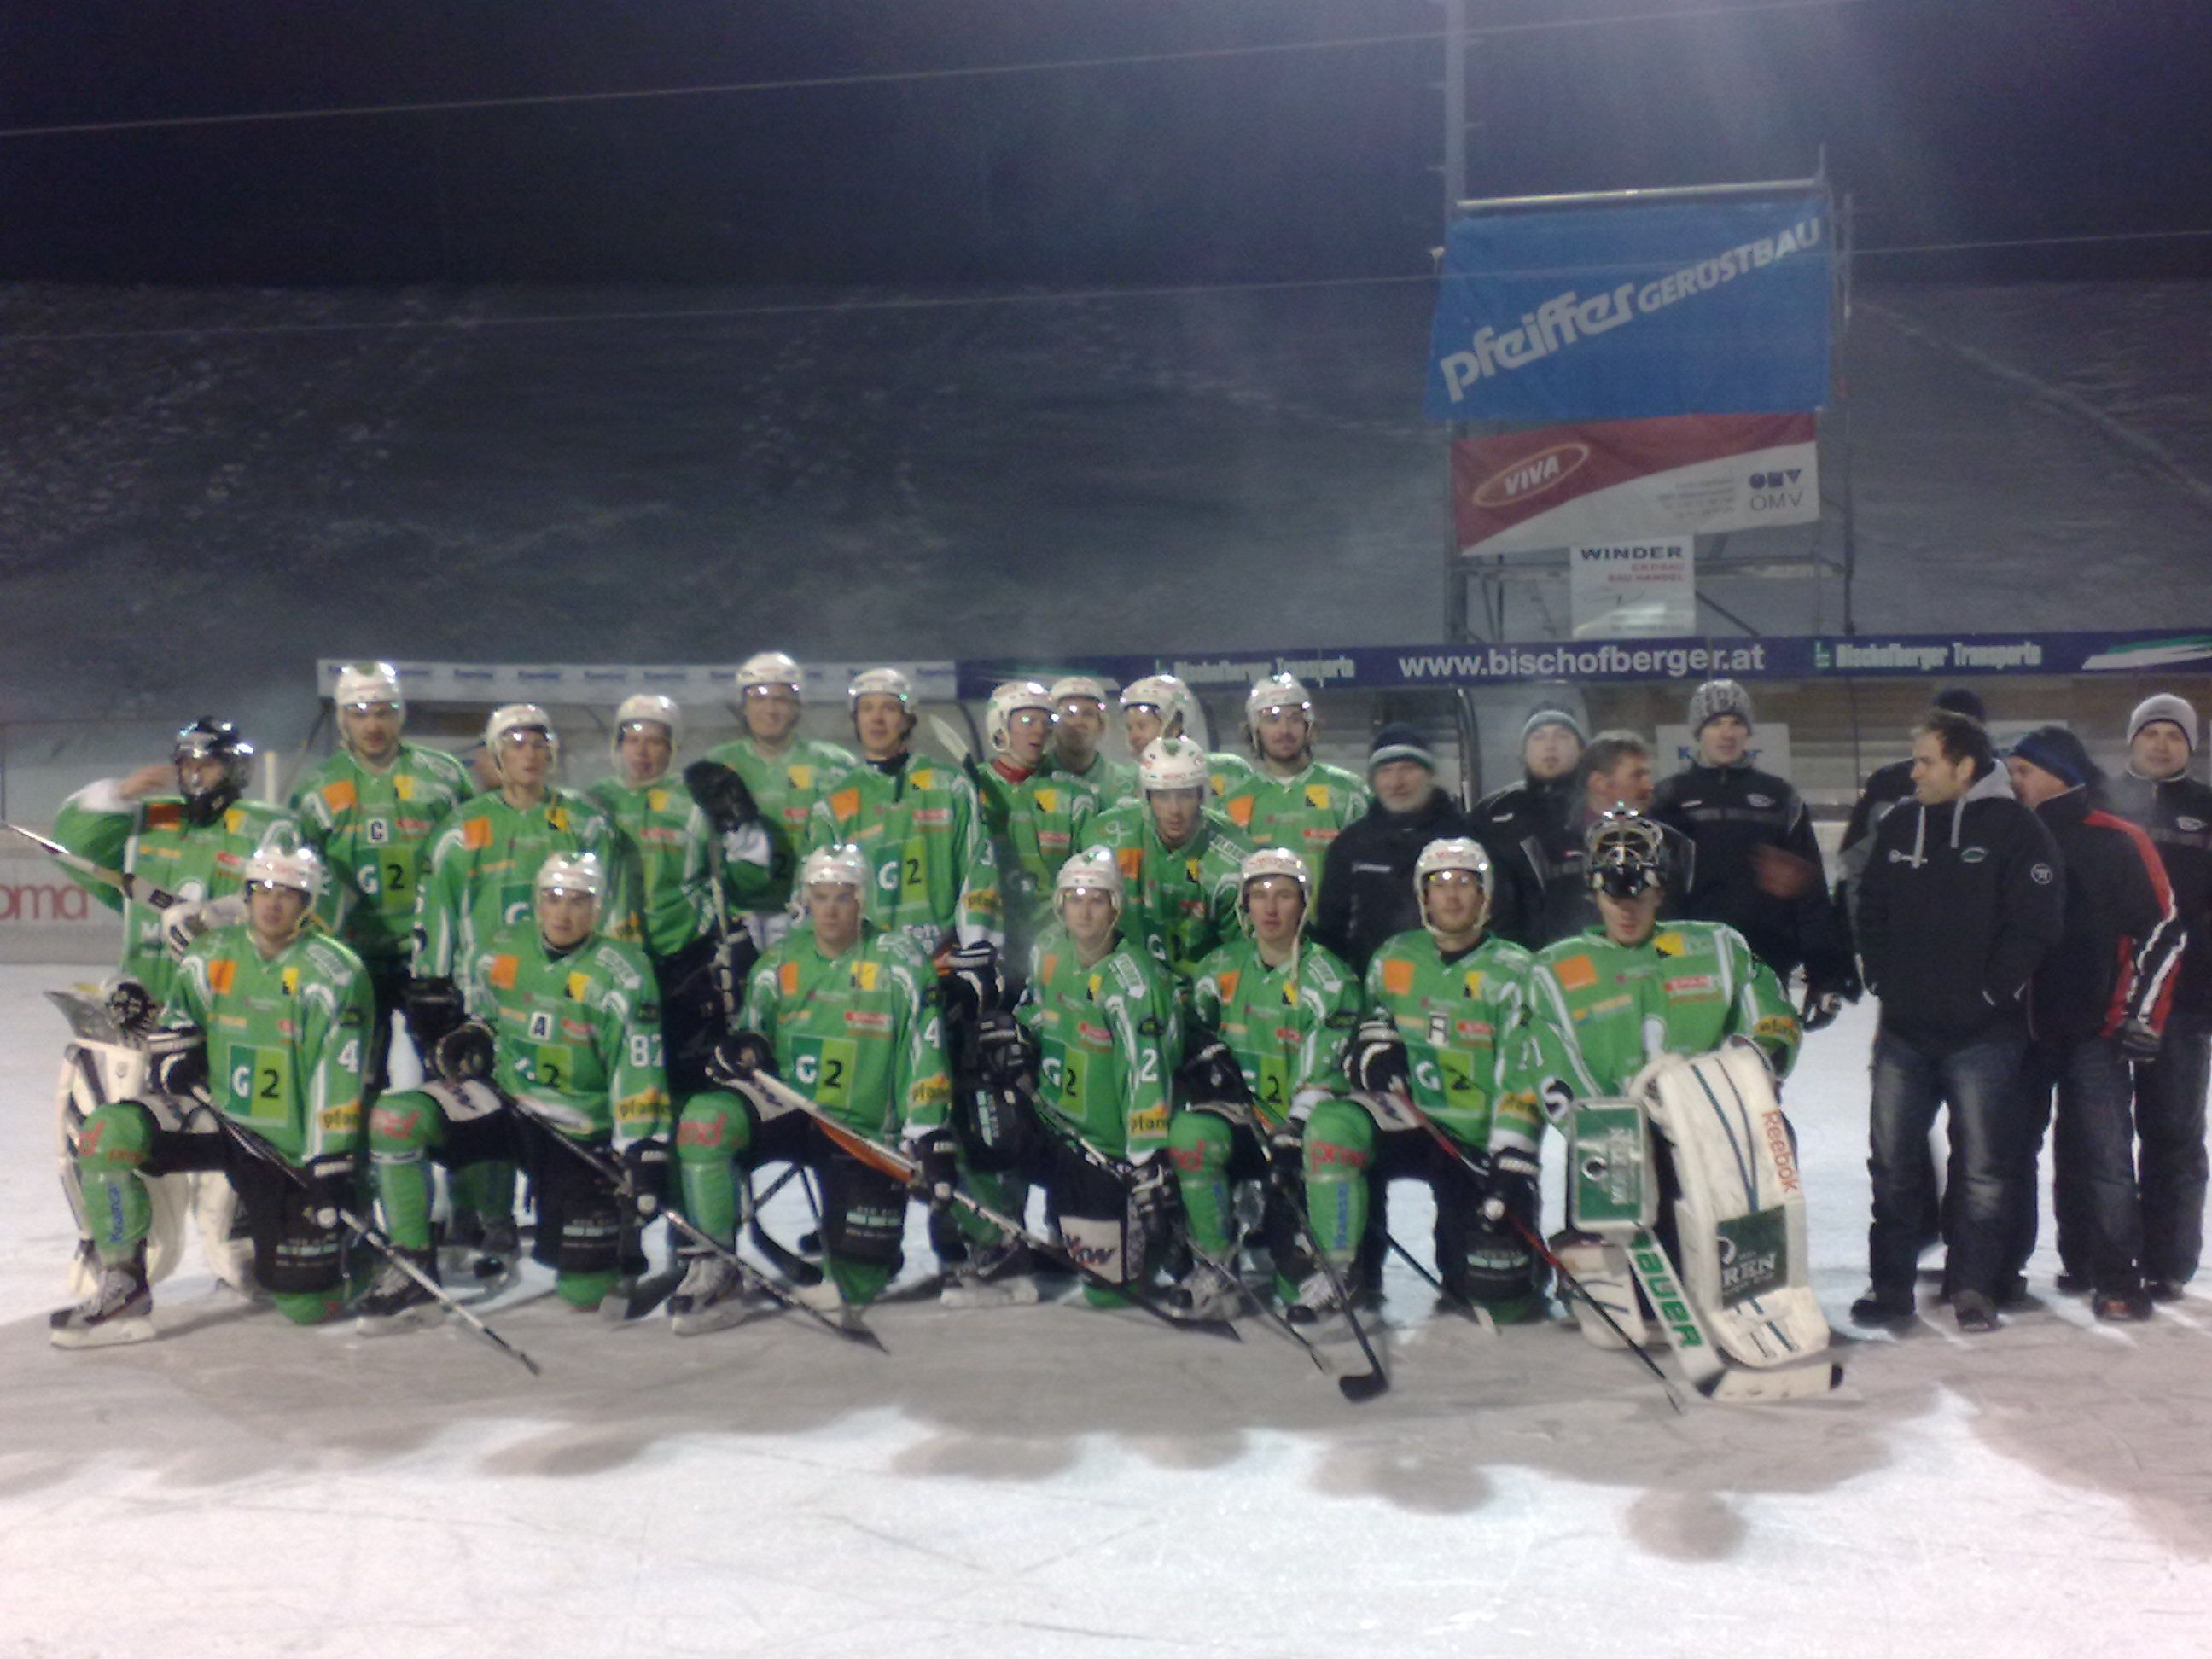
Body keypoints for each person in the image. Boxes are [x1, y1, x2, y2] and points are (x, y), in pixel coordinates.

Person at [53, 833, 374, 1347]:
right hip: (218, 1117)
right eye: (262, 888)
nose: (272, 901)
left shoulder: (333, 973)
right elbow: (176, 1027)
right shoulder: (210, 955)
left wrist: (329, 1164)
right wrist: (176, 1058)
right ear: (246, 893)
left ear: (307, 903)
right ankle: (125, 1284)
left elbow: (337, 1078)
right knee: (107, 1132)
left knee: (305, 1304)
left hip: (285, 1146)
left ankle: (358, 1249)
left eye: (287, 892)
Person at [365, 852, 672, 1322]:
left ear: (599, 908)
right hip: (506, 1103)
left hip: (577, 1129)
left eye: (579, 901)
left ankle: (614, 1237)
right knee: (395, 1119)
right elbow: (486, 1021)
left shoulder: (624, 972)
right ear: (538, 902)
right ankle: (411, 1264)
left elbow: (638, 1069)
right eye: (553, 898)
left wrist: (640, 1150)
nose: (564, 912)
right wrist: (471, 1038)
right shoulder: (501, 950)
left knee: (585, 1294)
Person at [672, 844, 953, 1327]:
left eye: (843, 897)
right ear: (805, 899)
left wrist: (927, 1132)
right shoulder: (779, 963)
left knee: (860, 1282)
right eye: (820, 896)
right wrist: (739, 1051)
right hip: (788, 1110)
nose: (830, 909)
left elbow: (925, 1055)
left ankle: (857, 1260)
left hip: (859, 1131)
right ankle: (713, 1263)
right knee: (705, 1120)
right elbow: (752, 1045)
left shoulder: (901, 963)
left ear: (863, 901)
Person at [1854, 709, 2064, 1333]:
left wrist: (1992, 989)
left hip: (1984, 1037)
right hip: (1904, 1035)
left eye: (1925, 760)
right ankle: (1890, 1289)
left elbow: (2036, 921)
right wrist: (1882, 975)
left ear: (1963, 766)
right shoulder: (1900, 824)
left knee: (1982, 1171)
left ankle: (1973, 1288)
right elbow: (1869, 901)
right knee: (1893, 1169)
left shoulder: (2015, 829)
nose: (1913, 771)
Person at [411, 703, 618, 1262]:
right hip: (485, 997)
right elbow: (442, 910)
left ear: (553, 753)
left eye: (538, 743)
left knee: (560, 1102)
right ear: (497, 756)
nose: (529, 754)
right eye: (517, 744)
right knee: (479, 1105)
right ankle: (484, 1216)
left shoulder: (586, 821)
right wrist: (433, 986)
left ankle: (571, 1208)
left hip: (565, 993)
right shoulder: (463, 827)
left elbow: (612, 907)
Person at [1525, 812, 1801, 1203]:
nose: (1626, 908)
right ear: (1593, 893)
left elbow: (1774, 1019)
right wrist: (1610, 1130)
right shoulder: (1551, 972)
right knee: (1604, 1258)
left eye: (1639, 891)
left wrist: (1745, 1080)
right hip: (1611, 1143)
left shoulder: (1719, 946)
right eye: (1612, 892)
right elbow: (1549, 1067)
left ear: (1660, 891)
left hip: (1716, 1128)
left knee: (1774, 1137)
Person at [2003, 726, 2181, 1321]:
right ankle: (2004, 1271)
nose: (2014, 780)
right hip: (2018, 1033)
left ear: (2058, 773)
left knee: (2106, 1158)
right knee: (2008, 1154)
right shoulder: (2009, 835)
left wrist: (2138, 1014)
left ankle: (2116, 1278)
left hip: (2095, 1032)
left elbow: (2162, 928)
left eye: (2024, 770)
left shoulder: (2117, 840)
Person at [965, 848, 1181, 1307]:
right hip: (1052, 1128)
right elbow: (1037, 1014)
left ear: (1116, 907)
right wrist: (1015, 1036)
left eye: (1097, 900)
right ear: (1061, 904)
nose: (1085, 910)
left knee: (1108, 1295)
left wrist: (1145, 1160)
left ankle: (1146, 1244)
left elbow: (1147, 1073)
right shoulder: (1049, 951)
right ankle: (1003, 1243)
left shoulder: (1133, 981)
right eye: (1076, 898)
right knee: (971, 1116)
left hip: (1104, 1152)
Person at [1343, 838, 1548, 1321]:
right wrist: (1375, 1052)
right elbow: (1368, 1027)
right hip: (1410, 1123)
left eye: (1464, 884)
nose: (1452, 896)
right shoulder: (1393, 958)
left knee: (1493, 1297)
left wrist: (1511, 1156)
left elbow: (1525, 1069)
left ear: (1485, 896)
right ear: (1423, 895)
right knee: (1337, 1136)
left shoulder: (1517, 970)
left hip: (1474, 1146)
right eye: (1439, 885)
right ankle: (1350, 1270)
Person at [1167, 847, 1361, 1321]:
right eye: (1259, 896)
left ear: (1304, 904)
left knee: (1287, 1276)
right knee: (1190, 1138)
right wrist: (1198, 1050)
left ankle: (1332, 1272)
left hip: (1302, 1126)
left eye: (1284, 896)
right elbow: (1186, 1024)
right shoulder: (1220, 967)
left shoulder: (1330, 976)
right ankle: (1216, 1263)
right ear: (1244, 905)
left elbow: (1326, 1060)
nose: (1271, 909)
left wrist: (1295, 1127)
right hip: (1241, 1114)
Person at [291, 662, 474, 1093]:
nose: (372, 724)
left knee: (450, 1076)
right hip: (351, 956)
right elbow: (302, 878)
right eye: (359, 712)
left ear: (401, 714)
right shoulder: (317, 786)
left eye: (384, 710)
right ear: (342, 719)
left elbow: (471, 864)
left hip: (431, 956)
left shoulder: (444, 776)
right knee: (356, 1080)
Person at [52, 716, 305, 1007]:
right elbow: (72, 844)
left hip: (227, 1006)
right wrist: (117, 795)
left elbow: (292, 909)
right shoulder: (150, 822)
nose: (195, 777)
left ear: (235, 769)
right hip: (142, 1005)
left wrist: (223, 917)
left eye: (207, 766)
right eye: (187, 766)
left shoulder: (266, 828)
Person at [1650, 679, 1854, 1032]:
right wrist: (1661, 959)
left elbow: (1810, 893)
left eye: (1736, 723)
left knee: (1761, 1074)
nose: (1726, 733)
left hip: (1766, 961)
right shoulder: (1670, 798)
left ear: (1748, 731)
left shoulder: (1779, 798)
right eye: (1715, 723)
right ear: (1698, 731)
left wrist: (1825, 976)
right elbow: (1656, 893)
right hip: (1691, 964)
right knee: (1693, 1073)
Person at [2102, 694, 2212, 1301]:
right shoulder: (2099, 801)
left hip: (2186, 1002)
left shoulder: (2207, 809)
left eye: (2175, 734)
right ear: (2133, 739)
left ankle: (2169, 1261)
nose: (2163, 743)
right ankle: (2099, 1254)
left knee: (2173, 1134)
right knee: (2100, 1137)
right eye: (2152, 732)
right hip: (2108, 997)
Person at [586, 693, 729, 1093]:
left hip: (680, 961)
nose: (643, 751)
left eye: (656, 740)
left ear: (672, 748)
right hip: (607, 960)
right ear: (617, 745)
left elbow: (729, 875)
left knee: (682, 1075)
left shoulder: (694, 804)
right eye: (633, 739)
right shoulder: (593, 802)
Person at [808, 667, 1001, 956]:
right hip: (868, 961)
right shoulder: (833, 802)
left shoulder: (950, 786)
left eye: (889, 708)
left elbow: (979, 868)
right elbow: (819, 888)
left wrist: (976, 943)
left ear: (908, 718)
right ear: (855, 719)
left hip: (943, 957)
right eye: (867, 709)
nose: (877, 718)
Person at [695, 651, 855, 952]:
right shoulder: (717, 764)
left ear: (797, 706)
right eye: (758, 698)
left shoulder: (834, 765)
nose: (769, 709)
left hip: (811, 913)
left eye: (780, 699)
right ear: (744, 706)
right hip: (737, 914)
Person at [1313, 724, 1505, 975]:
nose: (1396, 782)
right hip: (1375, 986)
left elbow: (1500, 914)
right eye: (1386, 771)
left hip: (1459, 985)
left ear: (1429, 774)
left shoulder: (1469, 839)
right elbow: (1332, 926)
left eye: (1408, 769)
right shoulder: (1352, 846)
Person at [1080, 736, 1253, 993]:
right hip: (1125, 987)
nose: (1174, 810)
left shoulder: (1235, 853)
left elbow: (1243, 952)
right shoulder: (1105, 837)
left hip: (1207, 991)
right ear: (1146, 797)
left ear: (1201, 795)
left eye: (1184, 795)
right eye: (1162, 796)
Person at [1835, 687, 1988, 930]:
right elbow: (1857, 865)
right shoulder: (1889, 785)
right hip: (1902, 944)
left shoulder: (2000, 788)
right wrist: (1867, 937)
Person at [980, 679, 1108, 967]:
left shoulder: (1078, 797)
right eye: (1026, 720)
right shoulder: (969, 788)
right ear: (999, 725)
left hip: (1053, 946)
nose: (1039, 730)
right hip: (986, 939)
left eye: (1045, 720)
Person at [1211, 674, 1369, 894]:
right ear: (1255, 730)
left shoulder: (1348, 792)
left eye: (1294, 718)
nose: (1284, 730)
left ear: (1308, 725)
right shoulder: (1234, 802)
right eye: (1272, 719)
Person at [1470, 704, 1587, 952]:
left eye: (1562, 736)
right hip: (1513, 955)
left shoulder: (1599, 806)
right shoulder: (1493, 813)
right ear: (1523, 753)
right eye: (1539, 737)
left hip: (1590, 953)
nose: (1550, 745)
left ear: (1581, 750)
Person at [1118, 673, 1248, 797]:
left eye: (1142, 726)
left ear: (1175, 726)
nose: (1133, 736)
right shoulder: (1122, 784)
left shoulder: (1229, 772)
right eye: (1129, 728)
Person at [1046, 674, 1137, 803]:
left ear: (1101, 725)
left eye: (1088, 714)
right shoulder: (1033, 779)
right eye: (1068, 714)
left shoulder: (1127, 784)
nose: (1078, 722)